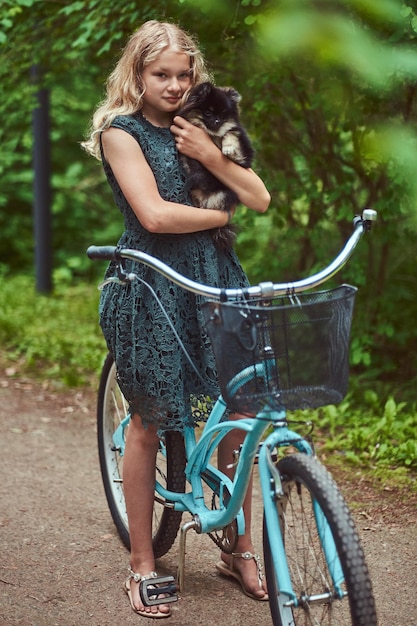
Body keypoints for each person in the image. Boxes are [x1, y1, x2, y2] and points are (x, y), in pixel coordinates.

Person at [82, 20, 270, 619]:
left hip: (216, 281)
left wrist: (212, 155)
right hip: (152, 285)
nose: (173, 84)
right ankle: (142, 562)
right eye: (160, 74)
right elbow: (156, 217)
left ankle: (240, 546)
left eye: (182, 74)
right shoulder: (122, 131)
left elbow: (260, 197)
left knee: (239, 409)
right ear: (136, 74)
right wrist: (221, 217)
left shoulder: (206, 122)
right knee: (150, 415)